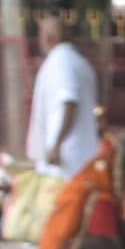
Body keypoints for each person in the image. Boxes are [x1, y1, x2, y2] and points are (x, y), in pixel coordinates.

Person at [27, 14, 100, 180]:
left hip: (66, 158)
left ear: (48, 37)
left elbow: (69, 101)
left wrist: (57, 145)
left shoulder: (61, 61)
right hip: (81, 154)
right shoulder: (79, 62)